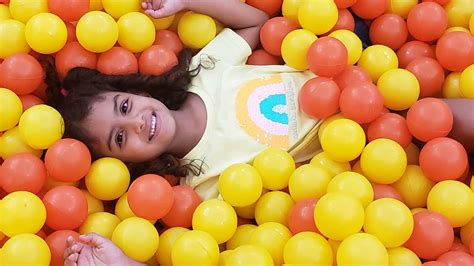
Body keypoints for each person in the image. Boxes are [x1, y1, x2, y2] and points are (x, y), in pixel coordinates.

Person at [57, 0, 474, 265]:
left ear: (132, 91)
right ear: (123, 163)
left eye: (124, 107)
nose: (135, 122)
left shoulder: (203, 75)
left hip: (371, 88)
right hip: (368, 158)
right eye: (119, 137)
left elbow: (258, 22)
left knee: (439, 114)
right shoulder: (199, 185)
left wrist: (187, 1)